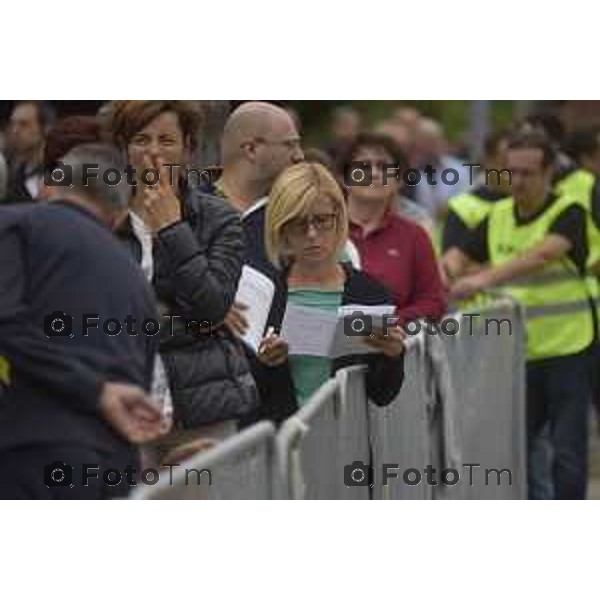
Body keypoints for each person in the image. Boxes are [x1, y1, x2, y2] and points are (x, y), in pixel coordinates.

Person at [0, 143, 163, 499]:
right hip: (115, 467)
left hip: (29, 450)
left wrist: (94, 391)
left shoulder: (16, 225)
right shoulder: (139, 283)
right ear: (119, 216)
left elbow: (6, 324)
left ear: (54, 183)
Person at [445, 132, 596, 500]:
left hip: (567, 347)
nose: (518, 181)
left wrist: (481, 278)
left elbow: (542, 255)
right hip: (515, 353)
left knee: (567, 451)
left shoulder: (569, 212)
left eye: (528, 173)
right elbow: (457, 256)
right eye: (511, 172)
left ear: (548, 174)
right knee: (517, 447)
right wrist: (451, 270)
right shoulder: (496, 215)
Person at [109, 100, 259, 453]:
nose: (153, 153)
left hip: (202, 402)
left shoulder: (219, 218)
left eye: (166, 140)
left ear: (189, 149)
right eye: (141, 140)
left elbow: (210, 308)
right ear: (123, 148)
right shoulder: (105, 216)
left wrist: (172, 228)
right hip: (122, 401)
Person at [264, 162, 405, 406]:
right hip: (284, 438)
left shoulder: (370, 293)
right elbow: (251, 391)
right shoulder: (266, 293)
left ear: (339, 219)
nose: (311, 234)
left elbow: (382, 394)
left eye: (322, 220)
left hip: (347, 439)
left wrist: (394, 355)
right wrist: (265, 364)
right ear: (281, 228)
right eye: (298, 223)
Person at [213, 101, 305, 423]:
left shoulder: (296, 219)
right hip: (208, 414)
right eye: (290, 145)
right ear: (251, 149)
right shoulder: (186, 213)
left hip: (275, 417)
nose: (300, 156)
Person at [339, 132, 447, 325]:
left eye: (384, 166)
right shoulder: (323, 230)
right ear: (345, 178)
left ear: (399, 180)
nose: (375, 173)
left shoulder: (415, 236)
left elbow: (433, 302)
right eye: (364, 166)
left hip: (391, 345)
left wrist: (388, 323)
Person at [4, 101, 55, 202]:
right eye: (12, 124)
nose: (15, 130)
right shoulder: (12, 176)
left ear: (46, 129)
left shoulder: (61, 171)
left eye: (24, 124)